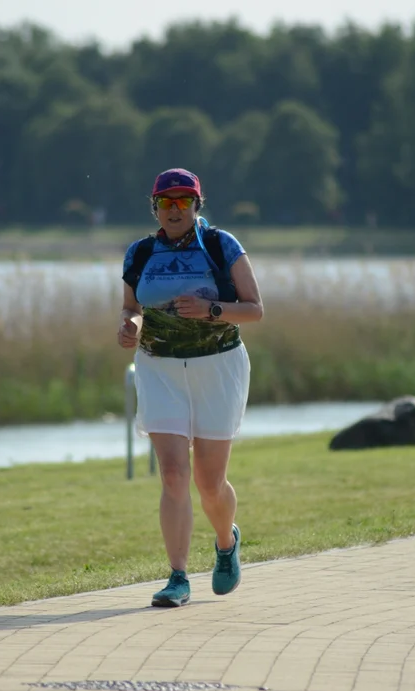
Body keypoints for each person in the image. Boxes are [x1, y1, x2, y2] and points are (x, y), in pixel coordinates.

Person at [117, 168, 265, 607]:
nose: (175, 210)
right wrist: (130, 327)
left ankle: (225, 542)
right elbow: (132, 308)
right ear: (155, 207)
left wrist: (211, 309)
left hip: (217, 366)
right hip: (159, 368)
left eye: (184, 201)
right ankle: (177, 577)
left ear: (198, 205)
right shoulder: (141, 252)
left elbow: (255, 310)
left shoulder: (221, 245)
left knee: (209, 481)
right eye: (167, 202)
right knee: (174, 473)